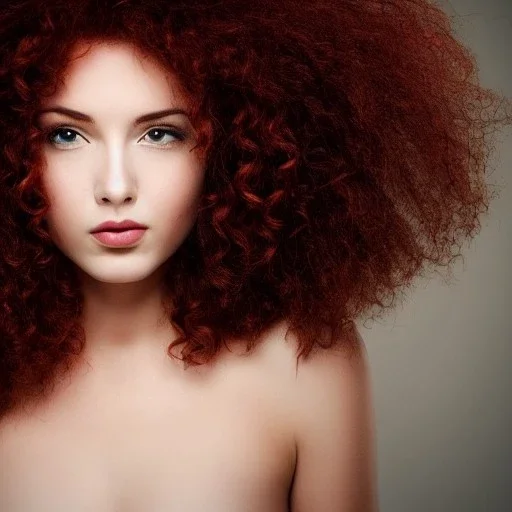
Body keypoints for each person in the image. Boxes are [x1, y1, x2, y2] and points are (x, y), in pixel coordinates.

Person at [0, 0, 509, 510]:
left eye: (160, 134)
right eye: (66, 135)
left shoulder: (304, 364)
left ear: (234, 148)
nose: (115, 186)